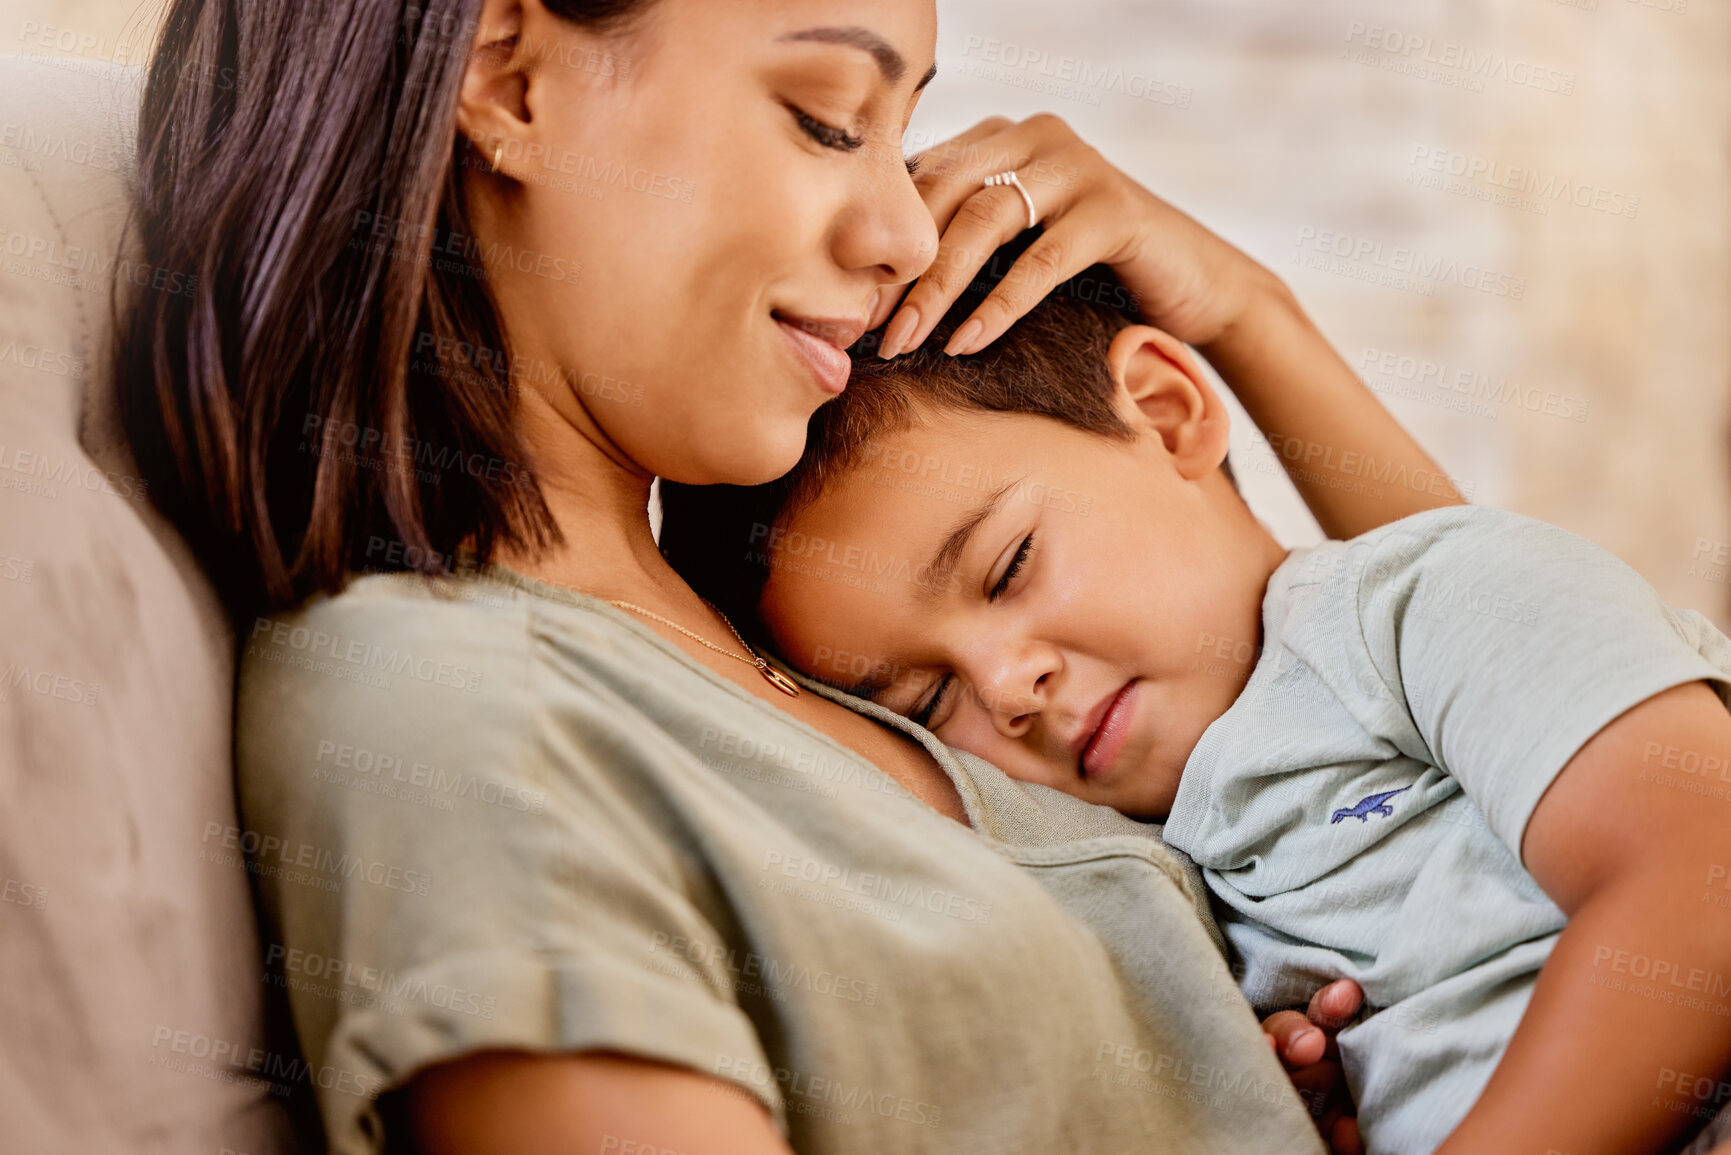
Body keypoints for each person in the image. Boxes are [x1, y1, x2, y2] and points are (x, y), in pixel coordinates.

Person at [116, 0, 1471, 1151]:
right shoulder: (456, 714)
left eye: (901, 130)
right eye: (829, 117)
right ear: (504, 79)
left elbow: (1497, 725)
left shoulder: (782, 632)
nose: (902, 228)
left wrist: (1238, 307)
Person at [664, 239, 1731, 1155]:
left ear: (1169, 415)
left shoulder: (1414, 603)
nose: (1007, 685)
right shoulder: (1152, 870)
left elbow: (1703, 876)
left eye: (1008, 566)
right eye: (927, 698)